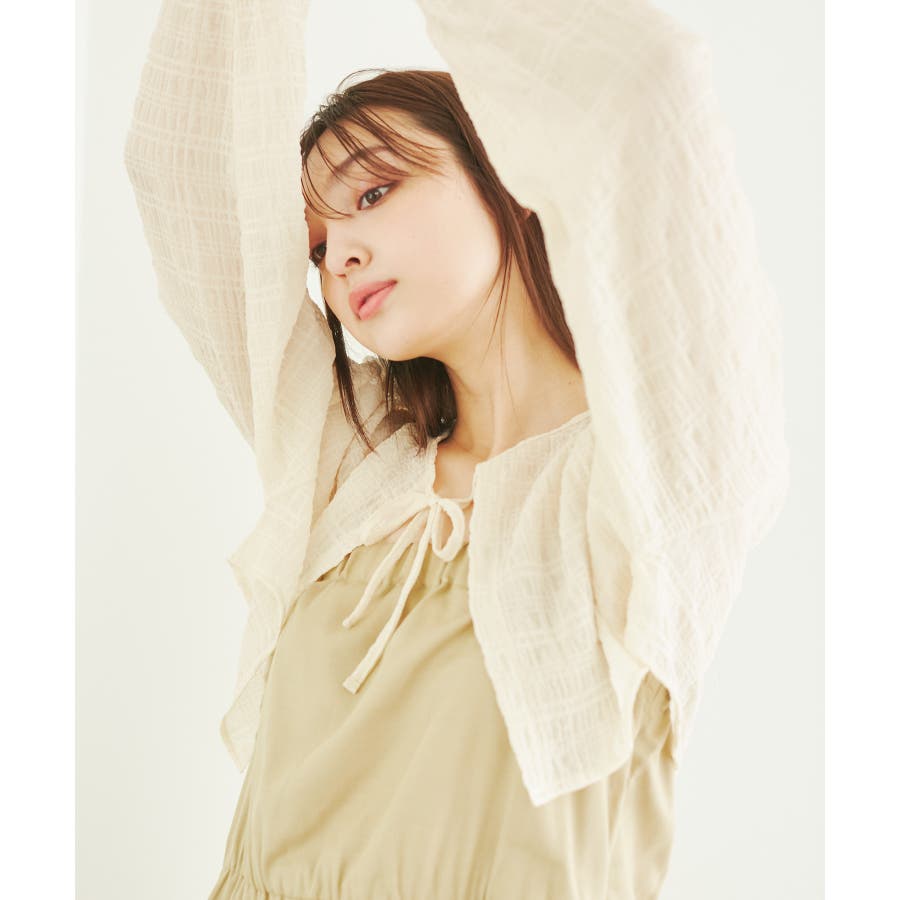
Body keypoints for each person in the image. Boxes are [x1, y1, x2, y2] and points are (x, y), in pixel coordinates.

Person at [123, 1, 790, 897]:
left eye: (373, 193)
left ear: (505, 165)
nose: (340, 256)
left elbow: (645, 89)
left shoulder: (655, 480)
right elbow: (191, 176)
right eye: (317, 248)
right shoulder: (354, 463)